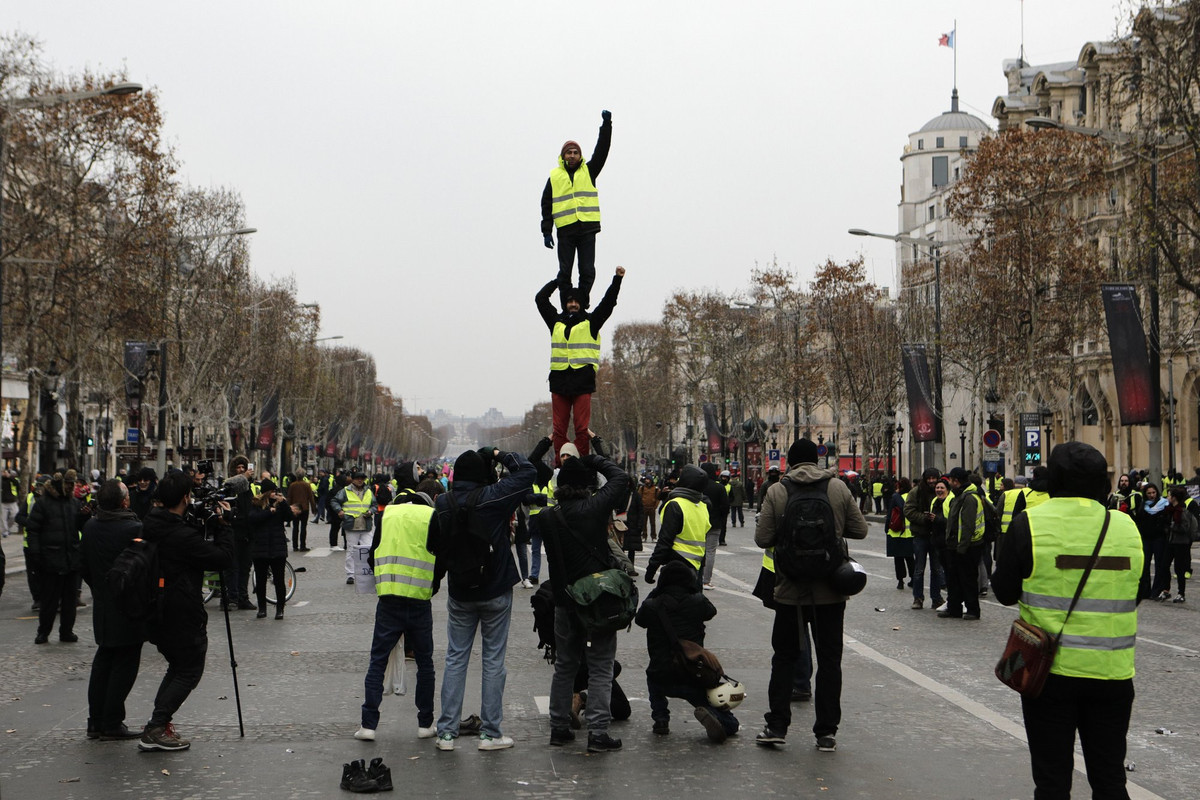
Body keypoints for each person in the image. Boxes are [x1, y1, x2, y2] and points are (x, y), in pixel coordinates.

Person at [992, 442, 1142, 800]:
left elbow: (1004, 592)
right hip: (1112, 673)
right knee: (1109, 779)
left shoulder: (1030, 523)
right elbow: (1138, 590)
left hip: (1049, 674)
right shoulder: (1125, 526)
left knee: (1052, 781)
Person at [755, 438, 868, 752]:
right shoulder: (837, 488)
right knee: (830, 660)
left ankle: (776, 725)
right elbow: (860, 530)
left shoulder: (778, 490)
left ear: (790, 462)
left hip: (790, 590)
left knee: (784, 659)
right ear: (817, 461)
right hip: (831, 589)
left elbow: (762, 538)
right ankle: (826, 732)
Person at [426, 449, 535, 751]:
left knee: (455, 659)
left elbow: (434, 545)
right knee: (493, 661)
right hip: (496, 586)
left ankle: (447, 733)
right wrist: (499, 454)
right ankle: (490, 733)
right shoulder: (493, 497)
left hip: (461, 590)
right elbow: (527, 473)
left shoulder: (442, 503)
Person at [538, 449, 630, 753]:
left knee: (564, 666)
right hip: (598, 601)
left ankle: (559, 727)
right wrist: (594, 458)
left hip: (565, 600)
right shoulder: (595, 508)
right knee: (601, 667)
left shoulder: (547, 517)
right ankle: (598, 732)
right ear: (587, 486)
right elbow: (620, 478)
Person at [139, 470, 234, 751]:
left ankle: (159, 723)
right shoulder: (180, 535)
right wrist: (224, 525)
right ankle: (156, 726)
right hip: (180, 612)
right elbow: (224, 559)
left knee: (177, 666)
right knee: (189, 670)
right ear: (185, 497)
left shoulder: (150, 523)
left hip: (157, 609)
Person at [356, 486, 440, 742]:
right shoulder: (430, 516)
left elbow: (372, 557)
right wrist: (431, 586)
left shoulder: (387, 515)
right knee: (425, 663)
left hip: (389, 598)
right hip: (419, 599)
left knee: (377, 661)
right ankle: (425, 723)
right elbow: (440, 557)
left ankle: (368, 725)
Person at [635, 560, 739, 743]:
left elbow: (639, 619)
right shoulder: (698, 601)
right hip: (692, 673)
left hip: (662, 673)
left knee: (652, 677)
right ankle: (715, 717)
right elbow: (711, 611)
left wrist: (655, 592)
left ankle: (661, 718)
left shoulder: (653, 605)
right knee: (731, 725)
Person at [535, 266, 625, 463]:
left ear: (582, 303)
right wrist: (557, 282)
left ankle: (581, 463)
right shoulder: (555, 322)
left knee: (581, 429)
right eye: (569, 301)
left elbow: (608, 303)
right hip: (559, 382)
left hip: (582, 382)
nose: (573, 304)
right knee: (559, 429)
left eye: (576, 301)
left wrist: (617, 280)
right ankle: (561, 464)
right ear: (565, 303)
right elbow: (540, 299)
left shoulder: (592, 322)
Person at [79, 479, 145, 740]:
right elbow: (144, 567)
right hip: (129, 606)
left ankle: (96, 721)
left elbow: (82, 565)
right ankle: (112, 721)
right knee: (125, 662)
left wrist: (99, 588)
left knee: (104, 659)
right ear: (124, 502)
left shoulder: (91, 526)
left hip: (104, 604)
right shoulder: (134, 527)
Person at [540, 109, 612, 309]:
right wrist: (546, 231)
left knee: (587, 271)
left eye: (575, 153)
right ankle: (567, 305)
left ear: (580, 156)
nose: (572, 156)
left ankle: (581, 302)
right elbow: (546, 205)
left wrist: (606, 125)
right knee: (565, 273)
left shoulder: (589, 171)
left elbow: (602, 150)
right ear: (563, 156)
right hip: (565, 232)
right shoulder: (554, 177)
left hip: (587, 230)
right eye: (568, 153)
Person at [25, 470, 83, 644]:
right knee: (49, 601)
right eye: (69, 484)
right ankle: (44, 631)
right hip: (50, 560)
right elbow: (32, 530)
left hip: (70, 559)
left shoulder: (74, 503)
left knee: (69, 602)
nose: (72, 487)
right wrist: (36, 554)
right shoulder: (43, 504)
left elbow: (80, 527)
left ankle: (66, 631)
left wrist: (86, 516)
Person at [645, 465, 710, 587]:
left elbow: (665, 540)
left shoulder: (675, 505)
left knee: (655, 604)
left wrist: (652, 568)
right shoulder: (702, 506)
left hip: (676, 565)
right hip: (697, 564)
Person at [247, 479, 298, 619]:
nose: (275, 493)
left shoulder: (280, 504)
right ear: (267, 492)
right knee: (261, 580)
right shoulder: (256, 504)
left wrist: (283, 503)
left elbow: (289, 517)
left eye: (276, 491)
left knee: (279, 580)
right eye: (273, 491)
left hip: (277, 547)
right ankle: (262, 608)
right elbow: (253, 518)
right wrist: (270, 512)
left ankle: (280, 609)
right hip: (260, 547)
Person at [941, 467, 985, 620]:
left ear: (956, 481)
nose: (949, 484)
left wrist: (962, 547)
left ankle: (972, 609)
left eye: (951, 481)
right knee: (954, 580)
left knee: (967, 579)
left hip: (967, 546)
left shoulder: (969, 498)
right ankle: (954, 608)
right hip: (956, 545)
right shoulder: (959, 496)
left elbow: (967, 525)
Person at [904, 467, 945, 610]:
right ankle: (918, 598)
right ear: (925, 479)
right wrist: (924, 518)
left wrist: (938, 519)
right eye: (929, 479)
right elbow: (908, 510)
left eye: (934, 478)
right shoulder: (916, 492)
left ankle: (936, 598)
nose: (932, 481)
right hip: (920, 535)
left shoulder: (941, 491)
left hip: (936, 536)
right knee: (919, 569)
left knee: (937, 569)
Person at [331, 470, 375, 585]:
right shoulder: (345, 491)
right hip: (352, 525)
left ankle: (368, 572)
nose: (360, 480)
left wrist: (371, 511)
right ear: (353, 479)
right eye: (357, 478)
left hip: (366, 525)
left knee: (368, 549)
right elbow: (334, 501)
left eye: (362, 478)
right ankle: (350, 574)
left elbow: (374, 504)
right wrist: (339, 511)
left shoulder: (368, 491)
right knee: (351, 550)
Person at [1136, 482, 1170, 601]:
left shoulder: (1163, 504)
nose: (1152, 495)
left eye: (1153, 492)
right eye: (1149, 493)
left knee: (1159, 565)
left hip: (1159, 538)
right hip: (1146, 538)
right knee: (1145, 565)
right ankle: (1145, 591)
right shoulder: (1143, 506)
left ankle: (1156, 591)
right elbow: (1139, 521)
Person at [699, 462, 729, 585]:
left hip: (699, 523)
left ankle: (697, 578)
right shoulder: (719, 487)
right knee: (710, 552)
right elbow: (725, 507)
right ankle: (706, 581)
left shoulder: (698, 487)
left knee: (699, 551)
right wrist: (721, 520)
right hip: (715, 524)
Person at [1165, 486, 1195, 603]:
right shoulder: (1170, 510)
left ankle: (1181, 593)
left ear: (1174, 498)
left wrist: (1171, 526)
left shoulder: (1182, 511)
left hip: (1181, 543)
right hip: (1171, 542)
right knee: (1164, 565)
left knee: (1179, 569)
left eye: (1169, 495)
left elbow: (1184, 528)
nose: (1167, 497)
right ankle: (1165, 590)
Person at [886, 477, 915, 591]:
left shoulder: (895, 497)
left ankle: (900, 581)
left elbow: (890, 514)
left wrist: (886, 528)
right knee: (910, 558)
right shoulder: (912, 497)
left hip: (896, 532)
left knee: (898, 559)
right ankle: (913, 578)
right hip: (909, 533)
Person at [287, 469, 316, 552]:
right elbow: (311, 497)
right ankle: (302, 546)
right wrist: (313, 508)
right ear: (304, 476)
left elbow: (289, 497)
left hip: (294, 508)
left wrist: (288, 507)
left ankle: (295, 546)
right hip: (304, 508)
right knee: (303, 527)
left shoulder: (292, 485)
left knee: (295, 527)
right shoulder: (307, 485)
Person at [638, 475, 659, 541]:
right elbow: (639, 497)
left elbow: (658, 498)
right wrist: (641, 506)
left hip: (652, 508)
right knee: (644, 523)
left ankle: (653, 537)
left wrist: (655, 507)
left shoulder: (655, 488)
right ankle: (644, 536)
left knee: (652, 523)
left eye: (648, 479)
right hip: (644, 508)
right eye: (646, 479)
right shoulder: (642, 488)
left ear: (651, 480)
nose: (646, 481)